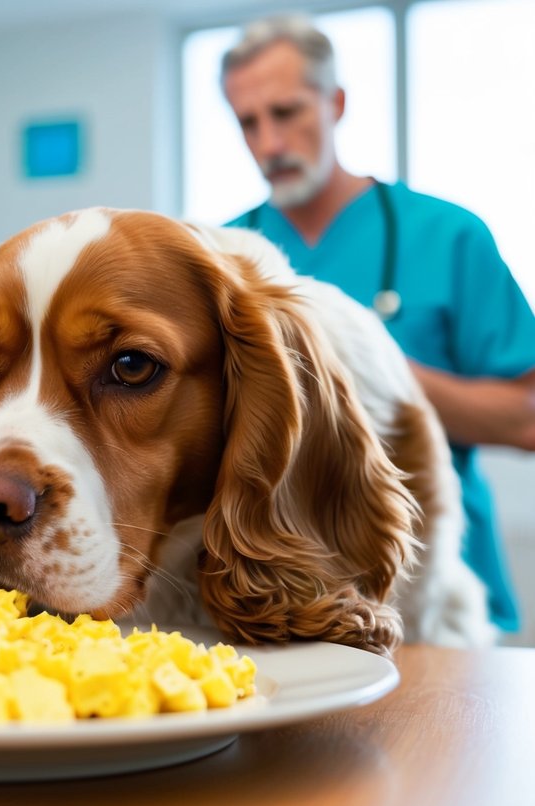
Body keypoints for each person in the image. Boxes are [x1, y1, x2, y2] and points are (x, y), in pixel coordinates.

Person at [220, 13, 535, 634]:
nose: (269, 144)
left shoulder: (447, 237)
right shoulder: (225, 262)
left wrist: (369, 367)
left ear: (334, 103)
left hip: (438, 586)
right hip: (282, 600)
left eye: (286, 113)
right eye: (249, 123)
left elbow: (527, 418)